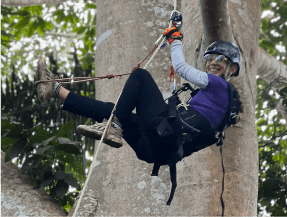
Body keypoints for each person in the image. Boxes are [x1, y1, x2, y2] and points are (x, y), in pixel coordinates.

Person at [36, 11, 242, 204]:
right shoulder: (217, 107)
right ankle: (54, 89)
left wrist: (175, 38)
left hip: (166, 136)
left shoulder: (220, 85)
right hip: (154, 151)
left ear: (232, 69)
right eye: (209, 58)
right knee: (112, 109)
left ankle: (113, 126)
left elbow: (180, 67)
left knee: (141, 76)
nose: (213, 62)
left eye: (221, 59)